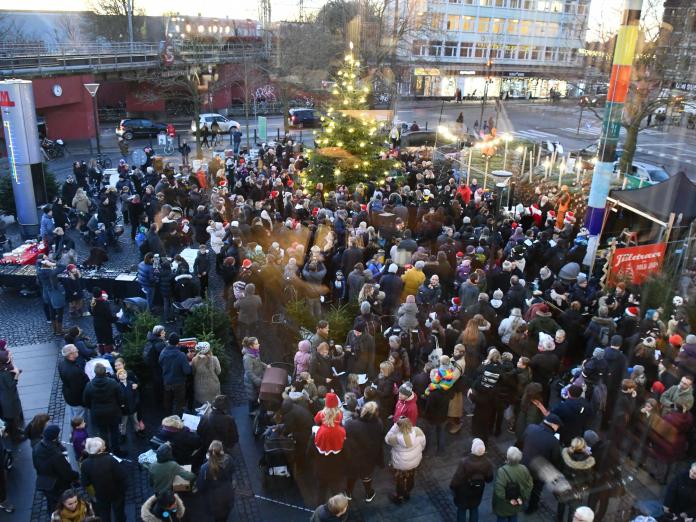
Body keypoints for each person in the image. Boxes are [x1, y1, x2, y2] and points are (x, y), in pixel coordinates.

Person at [521, 413, 563, 514]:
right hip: (539, 471)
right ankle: (532, 508)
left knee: (521, 484)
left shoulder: (530, 427)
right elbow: (555, 459)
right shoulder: (554, 441)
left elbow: (520, 442)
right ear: (553, 425)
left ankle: (519, 501)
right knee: (536, 490)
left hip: (524, 464)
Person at [80, 437, 127, 522]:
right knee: (119, 511)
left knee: (104, 513)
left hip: (100, 493)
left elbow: (85, 482)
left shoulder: (85, 464)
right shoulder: (110, 460)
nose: (105, 447)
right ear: (101, 449)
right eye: (104, 446)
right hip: (116, 491)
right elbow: (122, 475)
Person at [344, 401, 383, 502]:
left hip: (353, 456)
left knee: (352, 475)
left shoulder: (350, 424)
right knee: (366, 475)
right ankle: (368, 493)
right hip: (369, 456)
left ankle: (348, 492)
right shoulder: (378, 424)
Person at [33, 424, 79, 510]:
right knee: (61, 503)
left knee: (51, 502)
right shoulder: (56, 455)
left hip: (45, 481)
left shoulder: (37, 447)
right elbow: (66, 472)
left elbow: (35, 465)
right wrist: (76, 476)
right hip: (58, 484)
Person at [82, 363, 124, 455]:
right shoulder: (112, 382)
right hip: (113, 411)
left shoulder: (89, 385)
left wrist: (92, 408)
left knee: (102, 432)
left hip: (98, 413)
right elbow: (120, 397)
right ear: (105, 372)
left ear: (95, 373)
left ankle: (106, 449)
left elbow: (86, 401)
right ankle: (116, 450)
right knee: (114, 431)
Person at [449, 438, 495, 522]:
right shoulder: (487, 462)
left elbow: (457, 478)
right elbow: (489, 479)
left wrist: (452, 487)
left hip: (464, 491)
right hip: (477, 490)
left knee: (462, 510)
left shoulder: (464, 462)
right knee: (474, 508)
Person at [313, 392, 347, 502]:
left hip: (322, 460)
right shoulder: (340, 415)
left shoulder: (321, 414)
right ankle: (336, 507)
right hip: (336, 461)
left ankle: (320, 506)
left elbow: (316, 420)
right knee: (335, 487)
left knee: (321, 487)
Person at [385, 416, 426, 504]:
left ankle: (399, 496)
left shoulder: (396, 438)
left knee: (400, 480)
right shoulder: (418, 431)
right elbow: (423, 444)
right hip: (414, 461)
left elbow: (387, 439)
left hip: (400, 464)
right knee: (411, 477)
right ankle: (407, 492)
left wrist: (394, 426)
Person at [196, 440, 235, 522]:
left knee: (218, 515)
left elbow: (201, 486)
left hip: (213, 498)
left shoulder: (205, 468)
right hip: (228, 492)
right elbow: (232, 470)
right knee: (224, 514)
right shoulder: (229, 459)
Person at [492, 446, 533, 522]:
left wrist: (509, 500)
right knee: (513, 516)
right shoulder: (524, 469)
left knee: (501, 519)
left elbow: (499, 491)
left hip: (504, 505)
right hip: (517, 502)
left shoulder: (502, 471)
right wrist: (524, 496)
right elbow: (529, 485)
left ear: (508, 457)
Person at [159, 333, 192, 417]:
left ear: (168, 341)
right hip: (179, 384)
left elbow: (160, 363)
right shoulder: (181, 355)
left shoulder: (162, 352)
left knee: (168, 403)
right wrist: (190, 363)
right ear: (178, 343)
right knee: (179, 404)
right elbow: (187, 371)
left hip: (167, 382)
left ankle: (168, 420)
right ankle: (177, 422)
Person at [58, 345, 89, 420]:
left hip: (69, 396)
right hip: (77, 400)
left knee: (73, 416)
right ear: (70, 354)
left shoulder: (62, 363)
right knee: (80, 419)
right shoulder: (73, 371)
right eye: (75, 350)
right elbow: (77, 389)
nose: (78, 350)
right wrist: (83, 402)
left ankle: (73, 430)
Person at [242, 337, 267, 414]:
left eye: (258, 343)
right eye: (256, 344)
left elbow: (259, 362)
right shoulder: (247, 358)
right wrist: (258, 381)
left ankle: (256, 406)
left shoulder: (255, 353)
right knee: (251, 397)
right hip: (251, 382)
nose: (258, 344)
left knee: (256, 395)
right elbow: (249, 372)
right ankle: (251, 411)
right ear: (251, 346)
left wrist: (266, 366)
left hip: (257, 378)